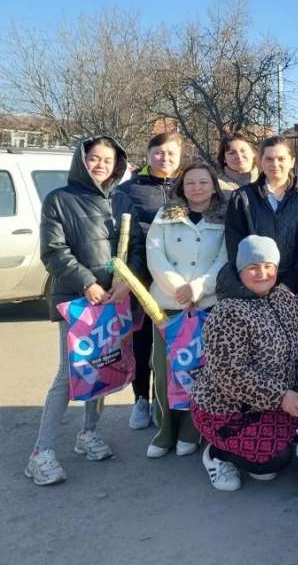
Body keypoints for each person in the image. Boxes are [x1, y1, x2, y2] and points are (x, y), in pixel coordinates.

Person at [26, 136, 144, 485]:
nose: (101, 165)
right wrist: (87, 283)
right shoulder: (59, 200)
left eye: (108, 160)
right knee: (68, 374)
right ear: (82, 159)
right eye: (94, 158)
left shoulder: (121, 201)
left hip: (113, 299)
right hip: (78, 300)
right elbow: (54, 251)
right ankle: (40, 453)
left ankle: (87, 433)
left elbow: (136, 247)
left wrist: (126, 283)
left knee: (102, 367)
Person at [190, 235, 298, 491]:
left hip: (271, 402)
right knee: (273, 460)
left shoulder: (286, 301)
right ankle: (217, 454)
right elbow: (228, 374)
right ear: (240, 270)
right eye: (253, 267)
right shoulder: (228, 311)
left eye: (269, 266)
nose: (262, 273)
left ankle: (253, 452)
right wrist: (280, 397)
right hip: (228, 409)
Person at [144, 161, 228, 459]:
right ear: (182, 187)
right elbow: (155, 255)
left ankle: (192, 430)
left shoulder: (223, 218)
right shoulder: (165, 215)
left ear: (213, 186)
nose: (197, 188)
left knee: (199, 371)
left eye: (203, 182)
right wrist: (179, 289)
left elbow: (223, 260)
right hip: (168, 306)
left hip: (206, 306)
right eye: (190, 182)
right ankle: (165, 429)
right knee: (165, 370)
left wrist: (198, 289)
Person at [118, 131, 184, 431]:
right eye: (158, 152)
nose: (164, 158)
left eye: (171, 153)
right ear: (148, 155)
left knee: (173, 342)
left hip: (176, 279)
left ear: (180, 156)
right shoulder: (130, 189)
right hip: (140, 277)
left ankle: (165, 399)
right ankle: (141, 399)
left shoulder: (186, 186)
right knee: (142, 342)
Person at [223, 136, 298, 295]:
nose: (275, 164)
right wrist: (253, 284)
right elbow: (235, 246)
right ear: (260, 162)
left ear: (292, 161)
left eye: (281, 159)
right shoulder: (242, 197)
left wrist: (291, 284)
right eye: (269, 159)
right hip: (255, 286)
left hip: (297, 289)